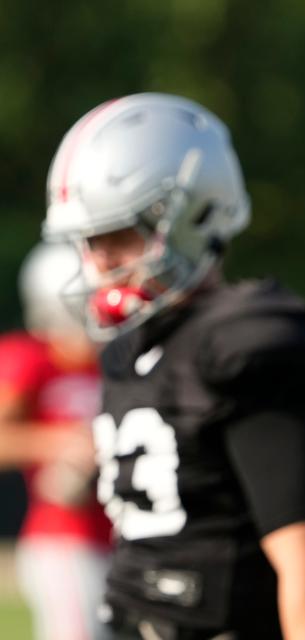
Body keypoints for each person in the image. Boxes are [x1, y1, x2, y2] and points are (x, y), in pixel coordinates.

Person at [43, 93, 305, 640]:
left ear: (194, 214)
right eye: (89, 241)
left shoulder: (246, 345)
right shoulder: (129, 349)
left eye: (116, 235)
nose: (98, 262)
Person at [0, 241, 113, 640]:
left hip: (126, 536)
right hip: (65, 539)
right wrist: (62, 444)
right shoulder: (30, 358)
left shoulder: (117, 361)